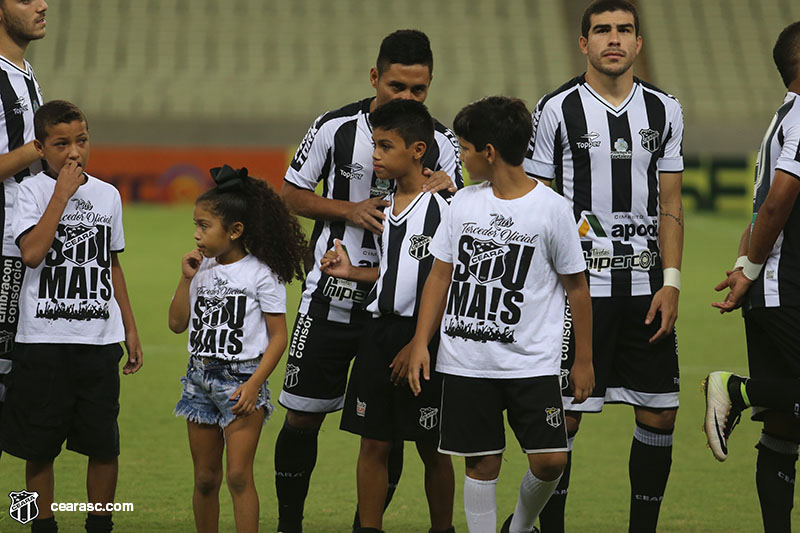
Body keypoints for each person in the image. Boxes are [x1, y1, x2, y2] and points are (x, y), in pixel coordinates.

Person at [275, 29, 462, 533]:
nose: (406, 98)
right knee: (301, 416)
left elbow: (466, 222)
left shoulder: (442, 144)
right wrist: (348, 210)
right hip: (334, 293)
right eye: (397, 86)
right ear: (375, 76)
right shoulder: (334, 127)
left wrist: (456, 188)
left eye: (418, 90)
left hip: (404, 310)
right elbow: (291, 194)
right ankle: (288, 524)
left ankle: (366, 524)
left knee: (390, 431)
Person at [523, 1, 685, 531]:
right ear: (583, 43)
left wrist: (672, 283)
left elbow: (670, 208)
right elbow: (540, 208)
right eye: (601, 31)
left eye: (623, 30)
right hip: (577, 294)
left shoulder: (665, 110)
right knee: (565, 418)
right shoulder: (556, 109)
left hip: (645, 290)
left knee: (659, 412)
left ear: (638, 43)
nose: (613, 39)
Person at [402, 96, 594, 533]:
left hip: (532, 363)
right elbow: (439, 276)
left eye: (465, 148)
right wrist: (420, 342)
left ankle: (520, 526)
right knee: (481, 464)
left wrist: (582, 360)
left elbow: (578, 290)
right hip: (467, 361)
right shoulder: (463, 204)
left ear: (488, 152)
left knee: (550, 462)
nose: (461, 156)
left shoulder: (552, 209)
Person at [0, 100, 141, 533]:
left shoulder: (108, 195)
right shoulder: (27, 193)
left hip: (98, 341)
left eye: (81, 141)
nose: (74, 152)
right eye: (61, 144)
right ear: (41, 148)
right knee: (37, 448)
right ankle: (39, 525)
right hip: (41, 341)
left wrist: (129, 327)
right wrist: (61, 194)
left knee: (104, 445)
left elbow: (111, 264)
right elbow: (33, 252)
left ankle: (101, 525)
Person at [320, 99, 455, 533]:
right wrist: (351, 272)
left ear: (418, 150)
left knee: (432, 447)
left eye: (385, 145)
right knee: (373, 442)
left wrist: (419, 342)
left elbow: (446, 277)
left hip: (423, 338)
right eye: (374, 144)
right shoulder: (385, 206)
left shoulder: (444, 208)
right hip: (377, 334)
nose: (374, 154)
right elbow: (395, 271)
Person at [169, 165, 307, 533]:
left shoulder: (261, 274)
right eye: (195, 225)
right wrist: (185, 280)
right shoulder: (199, 268)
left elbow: (279, 336)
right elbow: (176, 323)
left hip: (242, 380)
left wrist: (254, 384)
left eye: (204, 226)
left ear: (234, 231)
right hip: (198, 378)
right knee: (204, 478)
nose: (196, 234)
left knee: (238, 476)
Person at [705, 20, 800, 532]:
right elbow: (780, 198)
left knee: (785, 425)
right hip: (789, 285)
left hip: (772, 284)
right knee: (778, 408)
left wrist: (746, 267)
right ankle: (736, 390)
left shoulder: (782, 117)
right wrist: (756, 269)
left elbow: (762, 206)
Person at [0, 0, 48, 460]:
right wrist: (45, 147)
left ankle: (34, 514)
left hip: (25, 246)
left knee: (22, 391)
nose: (42, 4)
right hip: (3, 252)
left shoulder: (25, 72)